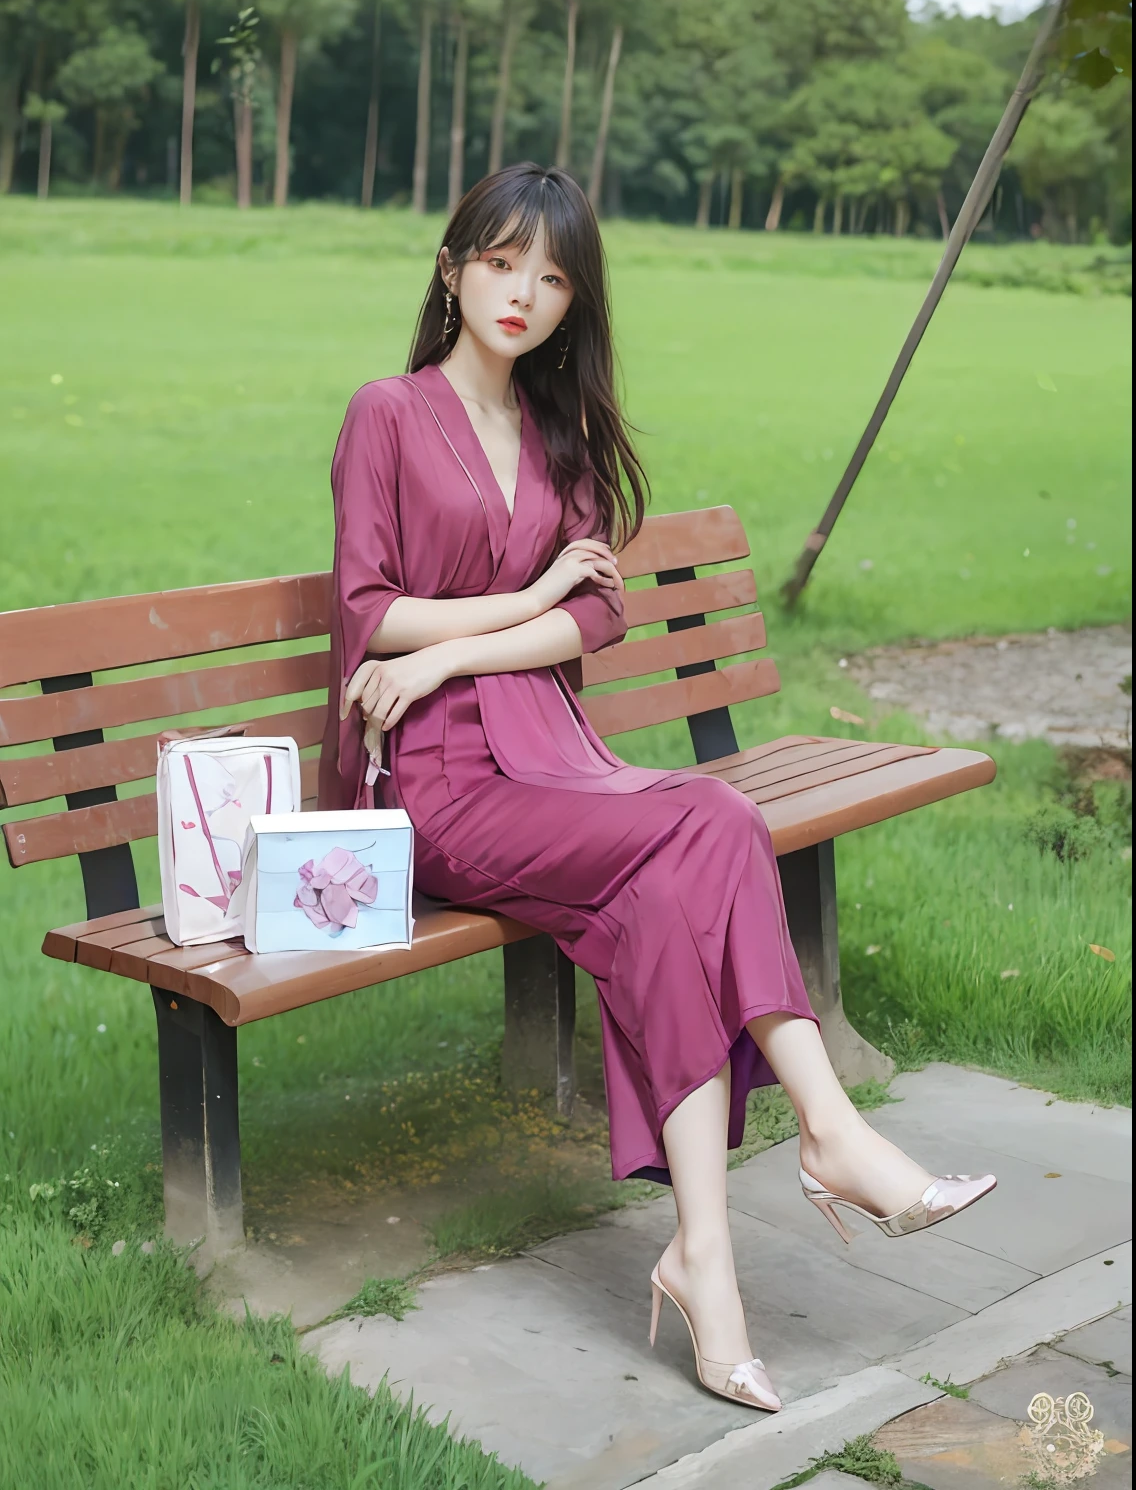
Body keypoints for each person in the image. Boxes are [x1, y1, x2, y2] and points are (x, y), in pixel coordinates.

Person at [318, 163, 997, 1413]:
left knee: (667, 888)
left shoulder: (558, 432)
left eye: (554, 276)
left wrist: (476, 642)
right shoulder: (387, 412)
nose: (523, 292)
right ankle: (831, 1137)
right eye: (503, 261)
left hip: (553, 764)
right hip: (440, 785)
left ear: (575, 302)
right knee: (712, 819)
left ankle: (705, 1264)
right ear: (452, 264)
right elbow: (370, 618)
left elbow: (597, 619)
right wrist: (510, 608)